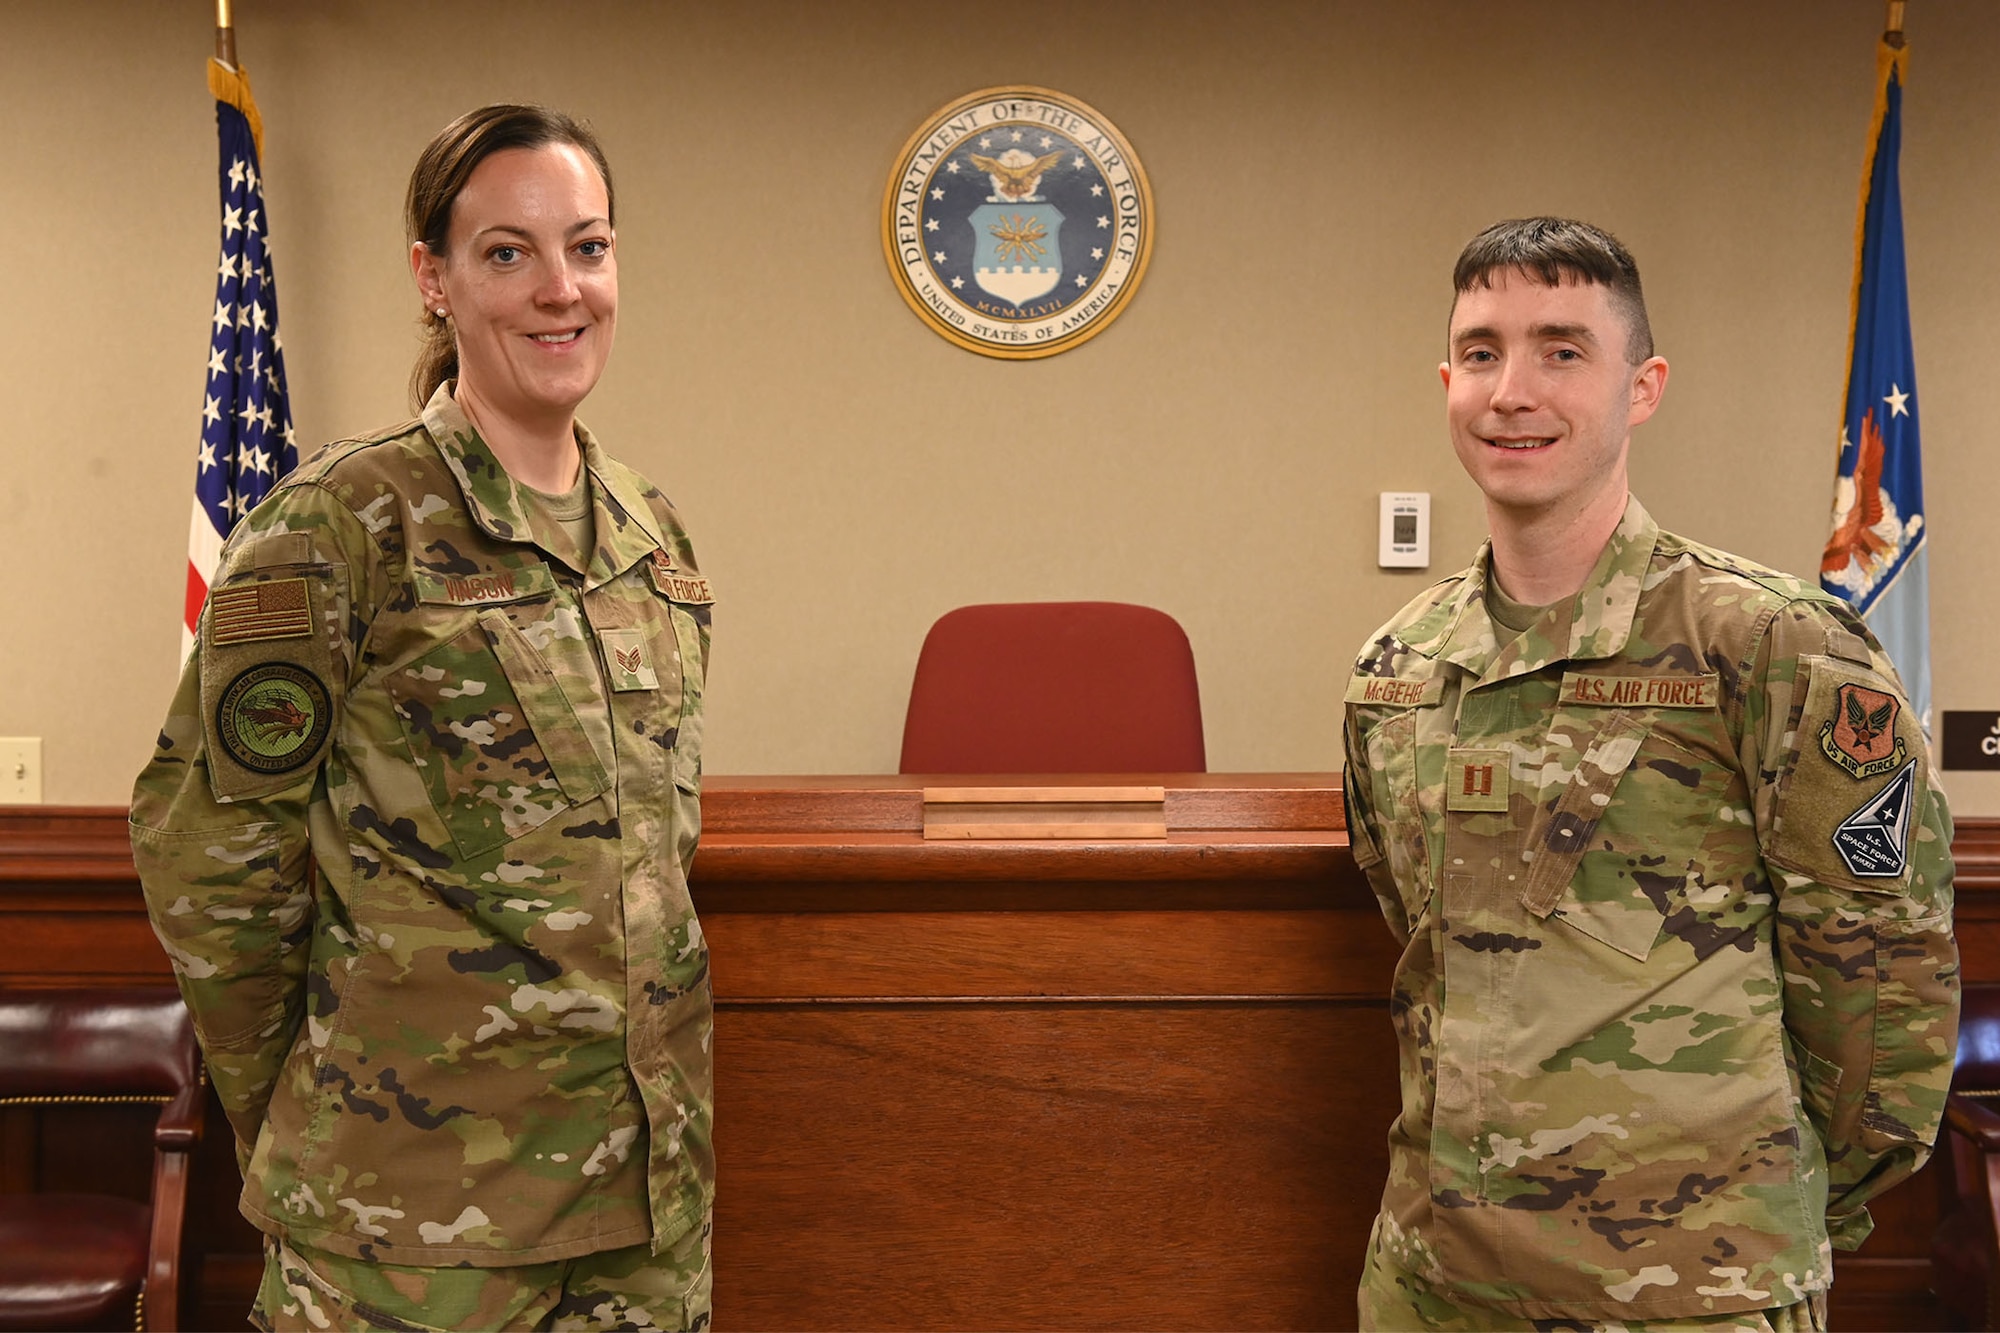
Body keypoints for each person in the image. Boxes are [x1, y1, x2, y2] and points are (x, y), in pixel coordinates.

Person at [130, 105, 716, 1331]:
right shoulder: (341, 521)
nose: (561, 290)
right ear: (433, 278)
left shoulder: (651, 535)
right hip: (409, 1226)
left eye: (590, 248)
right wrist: (305, 1108)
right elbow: (211, 860)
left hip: (642, 1213)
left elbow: (655, 856)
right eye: (508, 253)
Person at [1341, 217, 1957, 1331]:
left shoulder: (1770, 646)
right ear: (1445, 380)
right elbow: (1422, 941)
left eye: (1561, 350)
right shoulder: (1396, 668)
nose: (1510, 390)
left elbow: (1878, 994)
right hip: (1430, 1284)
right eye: (1480, 352)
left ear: (1642, 385)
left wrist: (1768, 1215)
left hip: (1690, 1293)